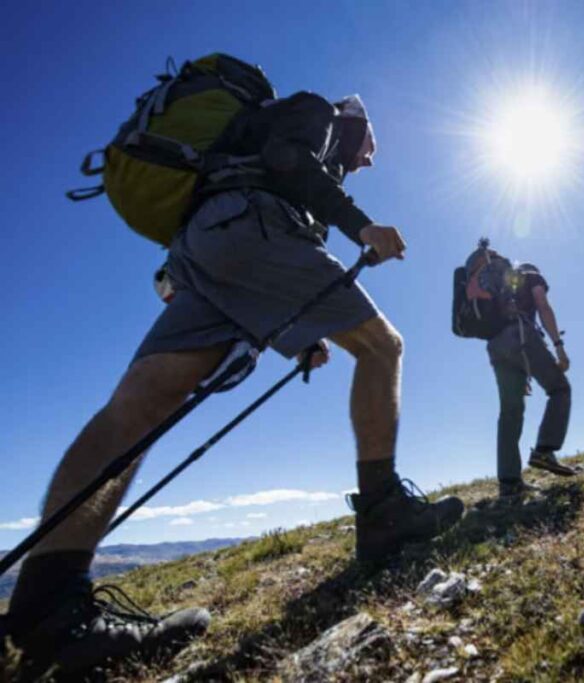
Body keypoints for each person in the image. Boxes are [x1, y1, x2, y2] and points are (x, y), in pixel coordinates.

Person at [2, 91, 464, 678]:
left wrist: (303, 333)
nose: (370, 160)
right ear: (355, 122)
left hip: (203, 245)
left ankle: (45, 609)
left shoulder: (252, 147)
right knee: (383, 347)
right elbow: (287, 161)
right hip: (251, 223)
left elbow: (272, 241)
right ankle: (383, 513)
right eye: (372, 144)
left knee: (135, 409)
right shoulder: (318, 113)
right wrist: (361, 225)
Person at [464, 242, 575, 498]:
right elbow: (542, 305)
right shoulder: (530, 275)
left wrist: (522, 371)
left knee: (510, 412)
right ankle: (545, 451)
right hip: (520, 335)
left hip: (495, 347)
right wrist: (558, 346)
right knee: (559, 389)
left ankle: (509, 482)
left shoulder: (495, 283)